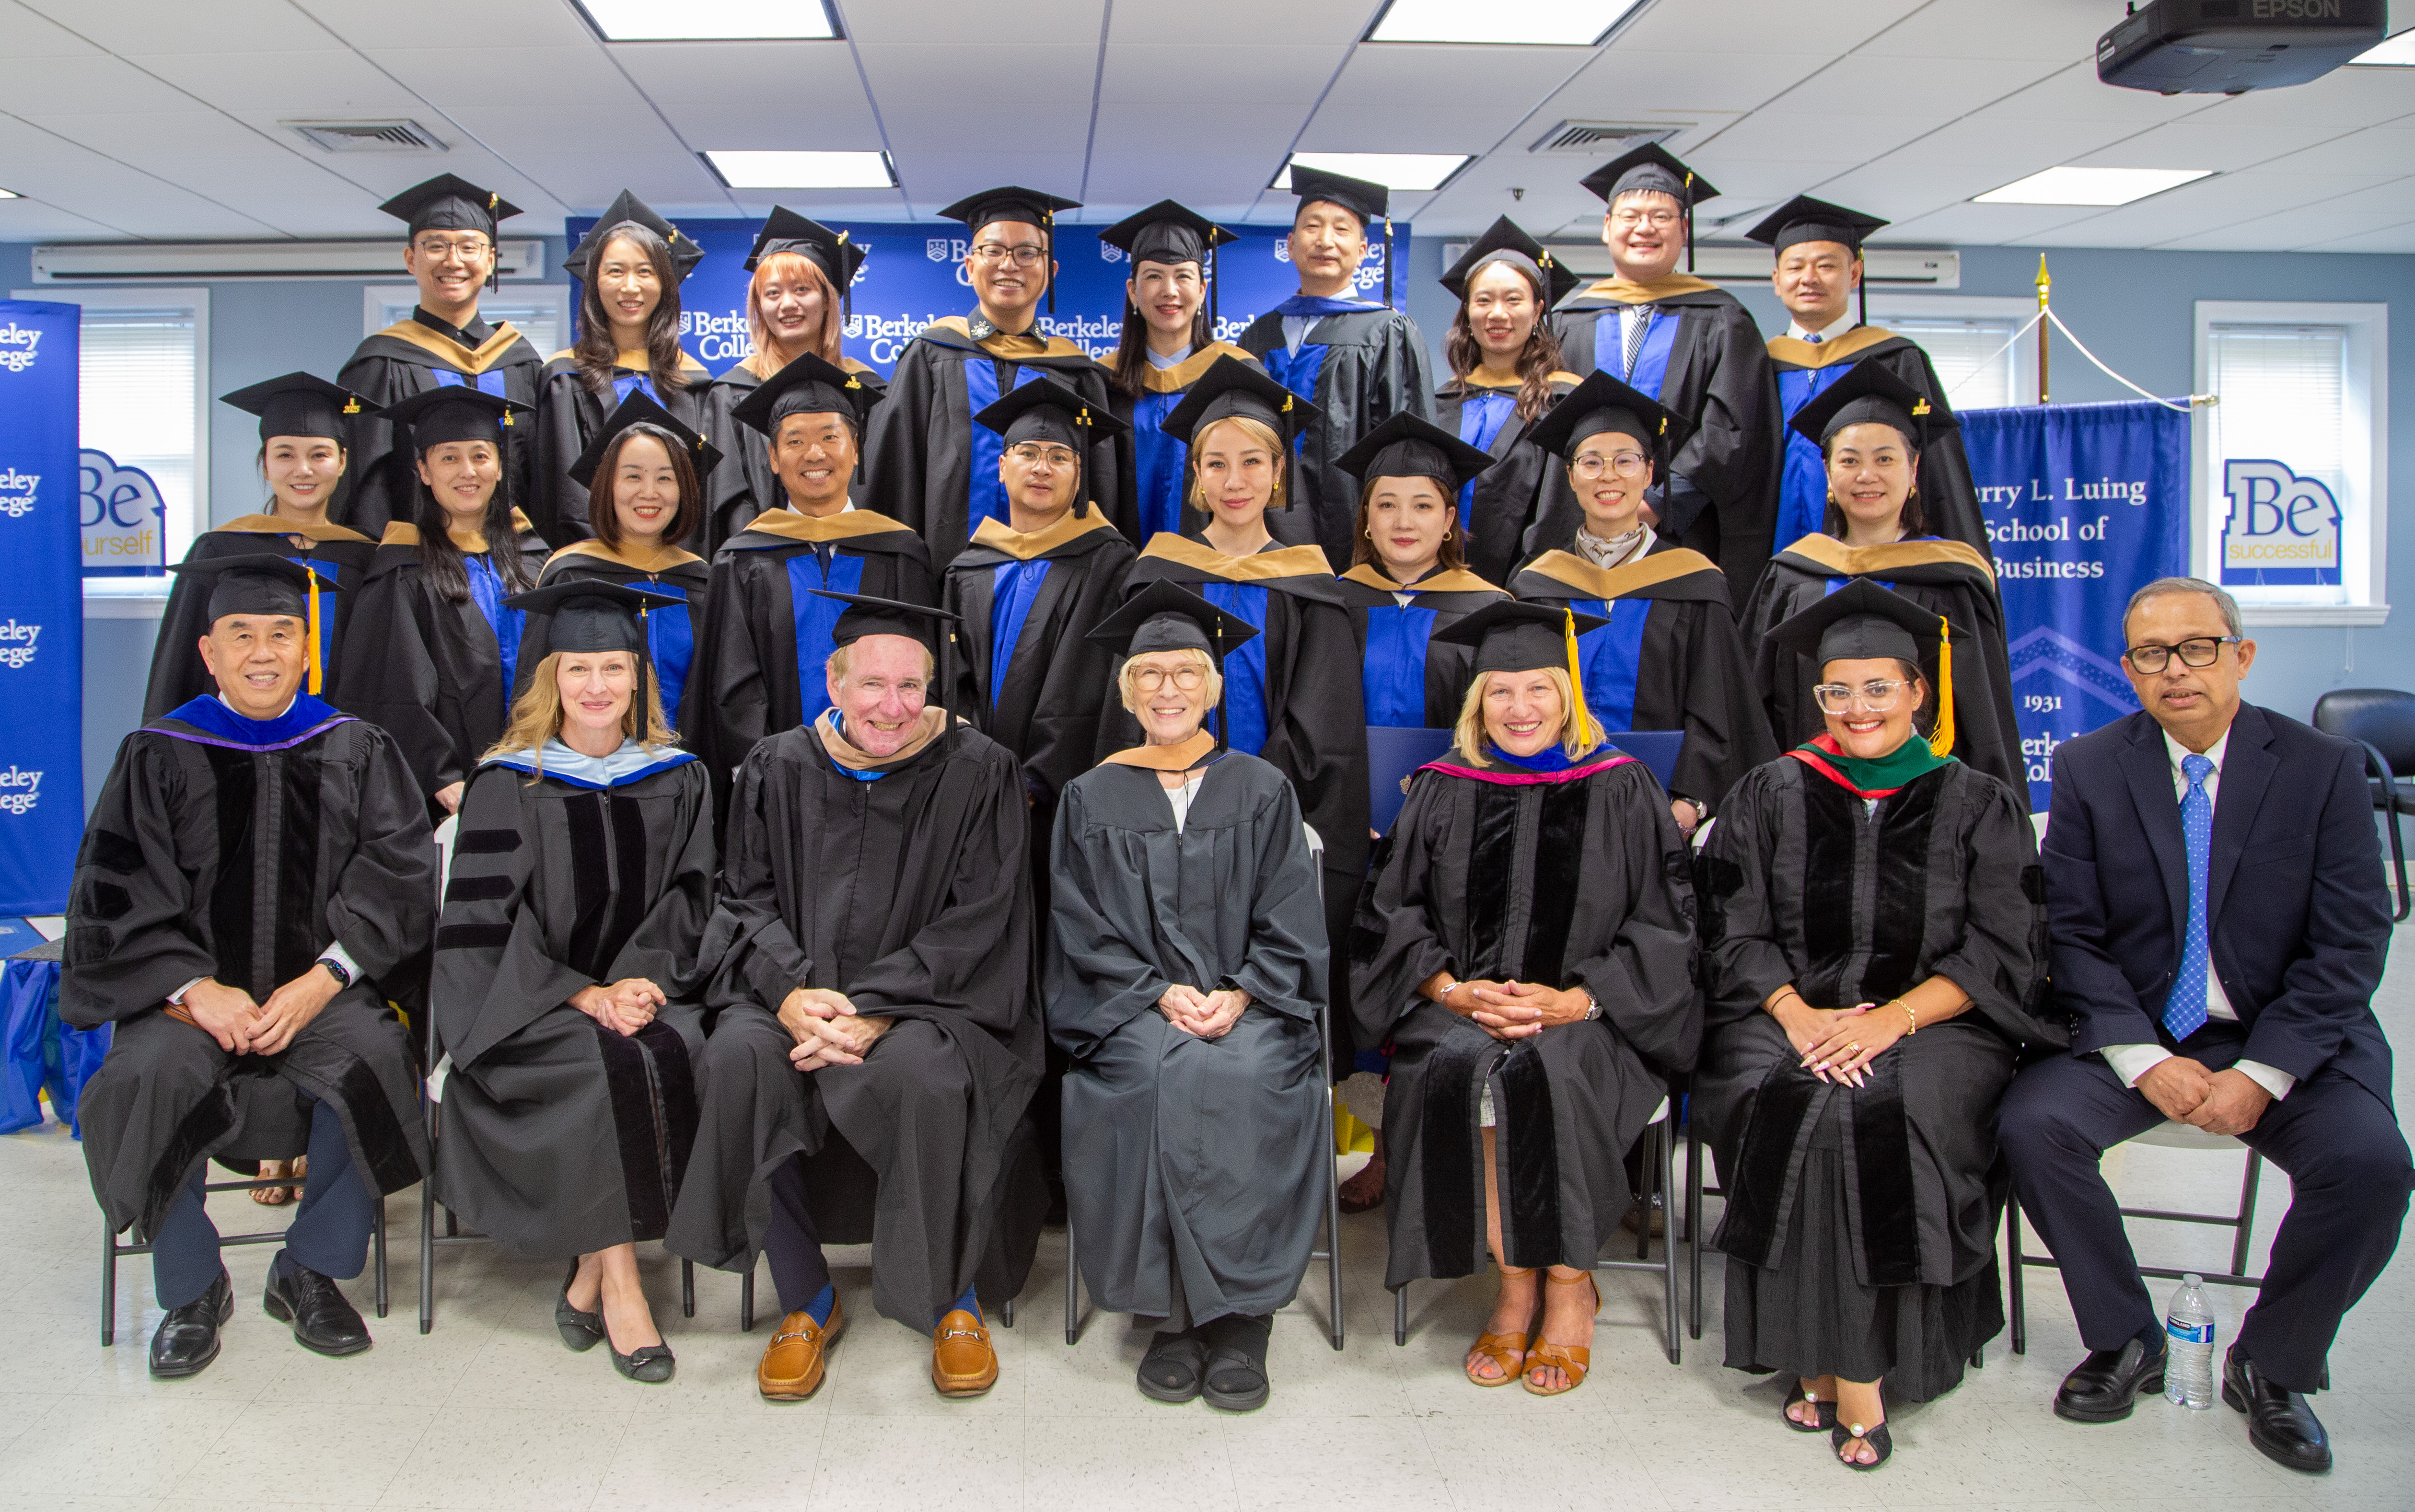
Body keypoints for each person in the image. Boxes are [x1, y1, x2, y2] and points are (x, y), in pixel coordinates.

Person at [1999, 577, 2410, 1475]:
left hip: (2283, 1035)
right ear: (2126, 669)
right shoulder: (2088, 765)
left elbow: (2348, 942)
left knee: (2372, 1167)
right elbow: (2067, 931)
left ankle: (2272, 1361)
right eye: (2150, 653)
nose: (2173, 669)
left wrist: (2260, 1074)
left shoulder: (2320, 768)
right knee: (2032, 1127)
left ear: (2240, 655)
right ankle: (2126, 1338)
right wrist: (2143, 1058)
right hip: (2138, 1029)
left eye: (2195, 647)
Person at [1695, 579, 2060, 1470]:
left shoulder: (1975, 800)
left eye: (1878, 689)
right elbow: (1729, 930)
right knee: (1785, 1102)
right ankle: (1825, 1358)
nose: (1856, 709)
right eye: (1837, 691)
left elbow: (2000, 951)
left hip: (1937, 1024)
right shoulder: (1769, 792)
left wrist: (1887, 1022)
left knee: (1874, 1114)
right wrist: (1798, 1016)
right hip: (1782, 1013)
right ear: (1816, 697)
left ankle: (1844, 1371)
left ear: (1917, 693)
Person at [65, 555, 433, 1378]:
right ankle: (191, 1288)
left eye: (281, 634)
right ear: (208, 652)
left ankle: (311, 1268)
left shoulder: (355, 747)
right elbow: (115, 891)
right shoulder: (156, 753)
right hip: (188, 998)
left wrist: (322, 981)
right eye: (242, 636)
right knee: (148, 1072)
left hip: (319, 991)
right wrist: (198, 989)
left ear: (307, 650)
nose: (262, 653)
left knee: (375, 1057)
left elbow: (402, 876)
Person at [668, 593, 1041, 1402]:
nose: (893, 707)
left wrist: (874, 1007)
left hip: (931, 1002)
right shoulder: (776, 764)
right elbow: (746, 899)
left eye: (912, 686)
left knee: (927, 1077)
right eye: (872, 685)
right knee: (738, 1057)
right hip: (794, 994)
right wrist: (794, 996)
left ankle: (952, 1299)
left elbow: (984, 915)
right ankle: (805, 1298)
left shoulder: (980, 772)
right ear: (832, 683)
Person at [1351, 599, 1699, 1397]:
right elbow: (1389, 911)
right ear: (1477, 705)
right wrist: (1450, 989)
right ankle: (1514, 1286)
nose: (1519, 710)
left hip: (1594, 1017)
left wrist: (1578, 1001)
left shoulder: (1622, 786)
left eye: (1537, 690)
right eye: (1499, 694)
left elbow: (1667, 923)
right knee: (1459, 1066)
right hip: (1460, 1007)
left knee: (1545, 1070)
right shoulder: (1442, 787)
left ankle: (1569, 1285)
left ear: (1567, 696)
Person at [1048, 581, 1330, 1410]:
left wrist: (1241, 994)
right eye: (1148, 675)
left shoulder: (1260, 787)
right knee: (1149, 1079)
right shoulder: (1089, 796)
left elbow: (1291, 913)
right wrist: (1157, 993)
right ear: (1125, 690)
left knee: (1237, 1077)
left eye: (1185, 673)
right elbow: (1079, 926)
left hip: (1257, 1004)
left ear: (1213, 688)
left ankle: (1240, 1317)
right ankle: (1172, 1311)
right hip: (1132, 1009)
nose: (1167, 690)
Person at [435, 580, 715, 1385]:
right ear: (550, 680)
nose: (596, 687)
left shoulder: (677, 776)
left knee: (683, 1050)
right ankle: (623, 1285)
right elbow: (484, 927)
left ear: (638, 679)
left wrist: (638, 983)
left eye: (613, 669)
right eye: (578, 669)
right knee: (595, 1067)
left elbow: (696, 895)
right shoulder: (504, 784)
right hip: (524, 1009)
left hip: (649, 994)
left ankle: (590, 1274)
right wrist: (582, 994)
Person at [1120, 356, 1368, 1064]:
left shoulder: (1310, 581)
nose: (1235, 481)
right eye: (1217, 463)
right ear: (1195, 476)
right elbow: (1137, 703)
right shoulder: (1157, 571)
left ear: (1277, 472)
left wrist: (1247, 802)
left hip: (1278, 824)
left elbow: (1322, 717)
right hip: (1169, 817)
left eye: (1252, 462)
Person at [1510, 372, 1775, 839]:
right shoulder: (1537, 585)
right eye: (1590, 462)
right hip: (1548, 807)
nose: (1608, 475)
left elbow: (1718, 708)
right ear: (1570, 476)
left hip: (1665, 816)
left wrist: (1689, 802)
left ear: (1650, 473)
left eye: (1625, 460)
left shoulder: (1694, 582)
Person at [1738, 363, 2023, 791]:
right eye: (1849, 460)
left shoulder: (1951, 580)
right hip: (1803, 802)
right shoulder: (1791, 575)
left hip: (1928, 806)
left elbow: (1984, 717)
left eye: (1885, 459)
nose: (1866, 475)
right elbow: (1751, 708)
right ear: (1829, 475)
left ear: (1914, 470)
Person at [692, 353, 933, 803]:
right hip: (777, 785)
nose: (815, 454)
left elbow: (923, 670)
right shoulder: (742, 559)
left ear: (856, 448)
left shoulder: (901, 552)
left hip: (889, 780)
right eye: (796, 441)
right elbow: (732, 682)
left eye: (831, 437)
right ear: (773, 457)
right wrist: (764, 772)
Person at [1546, 144, 1777, 595]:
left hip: (1680, 531)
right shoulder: (1568, 322)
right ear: (1608, 227)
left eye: (1662, 217)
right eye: (1631, 217)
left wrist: (1656, 501)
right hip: (1579, 532)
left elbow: (1732, 427)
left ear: (1684, 229)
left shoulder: (1723, 319)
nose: (1645, 228)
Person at [863, 186, 1124, 566]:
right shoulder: (931, 355)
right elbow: (894, 476)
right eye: (994, 251)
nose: (1009, 265)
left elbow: (1098, 492)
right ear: (970, 266)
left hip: (1056, 587)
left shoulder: (1076, 371)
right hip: (943, 580)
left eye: (1026, 253)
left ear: (1049, 270)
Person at [942, 373, 1139, 860]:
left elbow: (1094, 683)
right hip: (971, 791)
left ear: (1079, 474)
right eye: (1028, 453)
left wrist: (1035, 777)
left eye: (1059, 457)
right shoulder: (969, 566)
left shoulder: (1110, 564)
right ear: (1003, 466)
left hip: (1067, 794)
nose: (1042, 468)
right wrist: (973, 764)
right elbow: (951, 676)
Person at [337, 386, 548, 816]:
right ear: (423, 470)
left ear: (499, 466)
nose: (467, 471)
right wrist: (440, 774)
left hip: (541, 774)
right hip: (447, 796)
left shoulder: (536, 558)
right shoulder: (402, 567)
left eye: (480, 455)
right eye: (449, 457)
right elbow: (394, 683)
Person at [1747, 195, 1989, 556]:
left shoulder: (1895, 359)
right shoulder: (1754, 366)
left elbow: (1937, 473)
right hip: (1766, 556)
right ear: (1777, 280)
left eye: (1826, 266)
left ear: (1854, 274)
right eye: (1796, 268)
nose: (1809, 279)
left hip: (1872, 557)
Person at [146, 374, 379, 723]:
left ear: (342, 461)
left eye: (320, 455)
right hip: (234, 747)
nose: (303, 470)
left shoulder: (367, 557)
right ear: (266, 464)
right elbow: (180, 667)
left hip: (342, 753)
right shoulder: (220, 550)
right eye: (285, 454)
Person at [1237, 166, 1435, 570]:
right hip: (1258, 526)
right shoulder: (1259, 335)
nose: (1326, 240)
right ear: (1291, 244)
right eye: (1313, 227)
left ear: (1364, 250)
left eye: (1342, 230)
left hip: (1351, 530)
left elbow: (1407, 449)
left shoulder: (1388, 332)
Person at [338, 174, 543, 538]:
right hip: (416, 562)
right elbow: (365, 483)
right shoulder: (380, 363)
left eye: (469, 247)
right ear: (410, 259)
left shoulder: (522, 362)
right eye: (436, 246)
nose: (453, 261)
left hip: (517, 563)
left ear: (491, 260)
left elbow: (542, 477)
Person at [516, 392, 718, 744]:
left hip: (691, 772)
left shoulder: (701, 579)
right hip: (589, 771)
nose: (649, 493)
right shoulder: (570, 573)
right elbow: (538, 690)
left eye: (665, 478)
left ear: (685, 489)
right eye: (633, 477)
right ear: (607, 486)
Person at [534, 191, 710, 543]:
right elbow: (560, 494)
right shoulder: (565, 379)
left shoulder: (695, 382)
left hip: (676, 565)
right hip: (592, 567)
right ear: (594, 281)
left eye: (645, 272)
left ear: (665, 283)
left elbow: (702, 494)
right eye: (616, 271)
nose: (630, 287)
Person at [700, 208, 873, 551]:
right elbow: (729, 497)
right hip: (762, 564)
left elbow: (878, 485)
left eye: (802, 289)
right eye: (773, 293)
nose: (788, 304)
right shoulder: (732, 392)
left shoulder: (864, 387)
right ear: (759, 305)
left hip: (854, 561)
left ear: (828, 299)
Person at [1332, 412, 1506, 731]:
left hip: (1456, 779)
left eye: (1423, 506)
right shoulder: (1334, 605)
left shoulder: (1488, 610)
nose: (1404, 523)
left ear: (1449, 519)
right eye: (1387, 505)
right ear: (1367, 518)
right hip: (1349, 780)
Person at [1098, 200, 1259, 542]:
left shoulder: (1238, 377)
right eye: (1153, 276)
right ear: (1133, 292)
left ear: (1202, 290)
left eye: (1183, 276)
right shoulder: (1101, 383)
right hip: (1121, 573)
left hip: (1213, 573)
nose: (1169, 290)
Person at [1433, 218, 1583, 582]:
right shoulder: (1443, 401)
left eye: (1513, 299)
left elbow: (1558, 515)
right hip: (1436, 583)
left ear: (1537, 310)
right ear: (1468, 314)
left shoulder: (1562, 402)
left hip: (1524, 589)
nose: (1497, 313)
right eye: (1484, 301)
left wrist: (1521, 590)